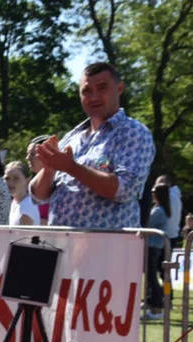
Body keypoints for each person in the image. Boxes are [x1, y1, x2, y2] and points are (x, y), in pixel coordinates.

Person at [30, 62, 155, 230]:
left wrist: (71, 167)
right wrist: (50, 168)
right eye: (86, 91)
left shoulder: (133, 132)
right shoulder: (72, 137)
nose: (94, 96)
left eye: (102, 88)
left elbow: (125, 189)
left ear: (119, 88)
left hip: (106, 249)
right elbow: (38, 197)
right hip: (61, 247)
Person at [143, 183, 171, 320]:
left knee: (152, 278)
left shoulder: (159, 211)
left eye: (154, 192)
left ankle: (156, 308)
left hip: (152, 246)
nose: (152, 194)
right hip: (155, 246)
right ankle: (155, 304)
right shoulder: (161, 209)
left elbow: (146, 224)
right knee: (151, 277)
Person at [4, 161, 39, 226]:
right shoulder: (15, 202)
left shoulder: (27, 206)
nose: (10, 183)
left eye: (16, 178)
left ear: (27, 181)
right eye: (7, 178)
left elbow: (24, 236)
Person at [26, 135, 51, 225]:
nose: (27, 158)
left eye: (32, 154)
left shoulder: (56, 182)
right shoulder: (29, 183)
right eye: (27, 154)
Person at [158, 174, 182, 248]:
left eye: (157, 183)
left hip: (163, 236)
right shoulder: (177, 196)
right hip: (173, 234)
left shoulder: (168, 197)